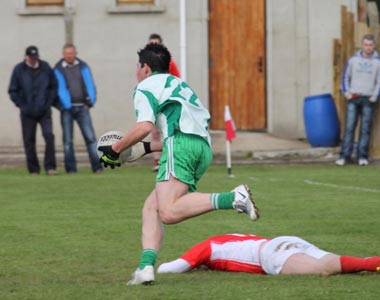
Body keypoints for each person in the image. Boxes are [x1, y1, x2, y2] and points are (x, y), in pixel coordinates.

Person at [98, 43, 260, 285]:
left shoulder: (144, 87)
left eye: (137, 66)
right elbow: (183, 133)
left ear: (145, 68)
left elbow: (144, 127)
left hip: (181, 147)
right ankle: (145, 269)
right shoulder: (179, 84)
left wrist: (115, 149)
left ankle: (233, 198)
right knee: (151, 208)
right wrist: (145, 148)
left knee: (169, 212)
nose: (136, 71)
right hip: (202, 149)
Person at [158, 233, 380, 276]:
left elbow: (173, 267)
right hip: (287, 239)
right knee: (337, 263)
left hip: (269, 254)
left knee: (324, 270)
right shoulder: (230, 237)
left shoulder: (207, 246)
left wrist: (154, 269)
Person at [8, 46, 58, 175]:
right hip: (27, 112)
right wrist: (21, 105)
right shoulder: (18, 70)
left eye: (35, 57)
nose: (33, 60)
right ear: (26, 57)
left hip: (44, 111)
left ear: (38, 57)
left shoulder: (46, 67)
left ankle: (50, 167)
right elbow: (13, 90)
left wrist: (48, 103)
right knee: (29, 140)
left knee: (49, 136)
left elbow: (53, 86)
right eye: (31, 57)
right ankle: (34, 169)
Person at [336, 34, 380, 167]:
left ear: (374, 46)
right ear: (362, 45)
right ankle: (344, 156)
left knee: (365, 129)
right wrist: (346, 93)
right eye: (365, 45)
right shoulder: (353, 60)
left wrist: (375, 95)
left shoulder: (378, 62)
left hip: (368, 99)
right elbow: (345, 77)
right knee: (349, 128)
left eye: (370, 45)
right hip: (354, 97)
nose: (368, 47)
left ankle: (362, 156)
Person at [54, 43, 103, 174]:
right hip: (66, 109)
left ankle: (97, 167)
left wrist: (90, 101)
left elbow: (90, 84)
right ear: (63, 55)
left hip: (82, 107)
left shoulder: (83, 66)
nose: (69, 56)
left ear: (76, 53)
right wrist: (64, 105)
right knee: (68, 141)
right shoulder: (58, 69)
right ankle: (71, 169)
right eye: (67, 53)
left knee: (91, 138)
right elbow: (58, 89)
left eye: (71, 53)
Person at [147, 33, 181, 172]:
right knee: (154, 132)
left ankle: (169, 159)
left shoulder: (169, 62)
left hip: (166, 101)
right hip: (153, 101)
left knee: (168, 131)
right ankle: (157, 161)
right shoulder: (145, 64)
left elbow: (177, 79)